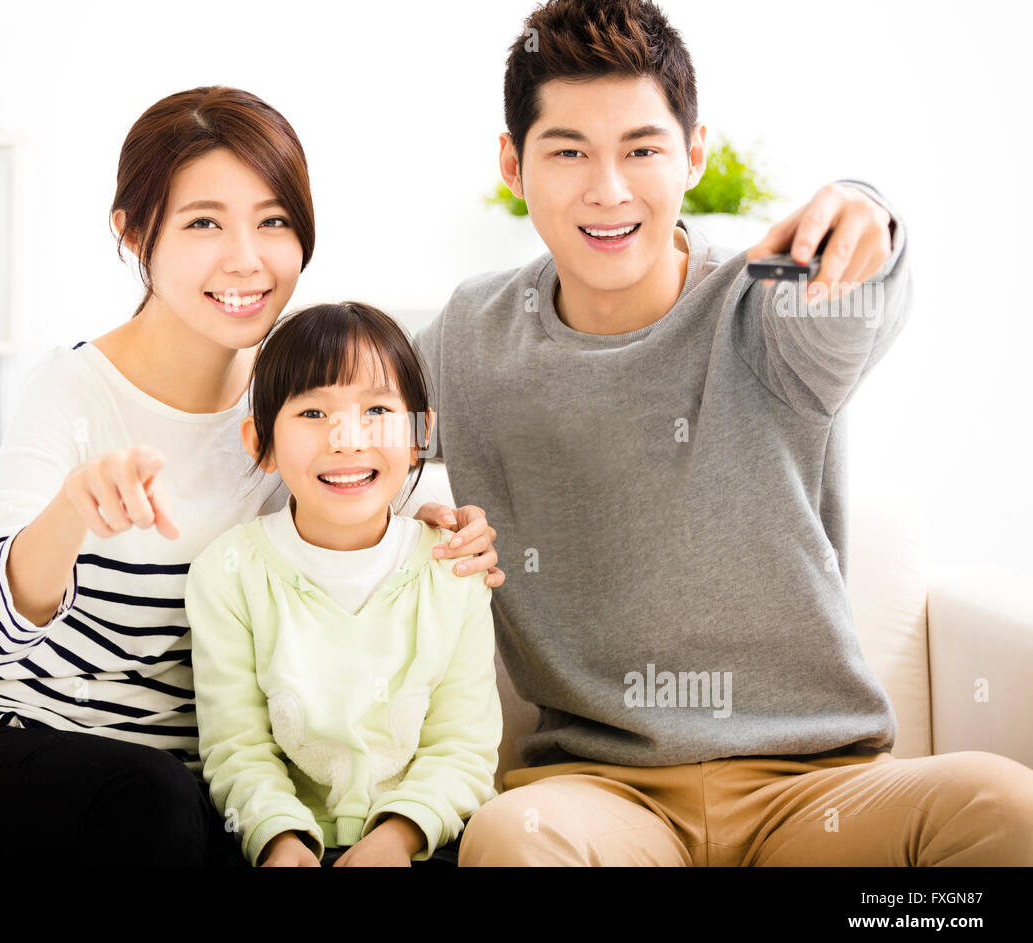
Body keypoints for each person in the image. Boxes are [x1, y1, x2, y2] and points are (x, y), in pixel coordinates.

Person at [415, 0, 1033, 865]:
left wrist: (870, 216)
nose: (609, 189)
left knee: (1008, 805)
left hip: (818, 788)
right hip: (604, 796)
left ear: (694, 153)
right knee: (512, 840)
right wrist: (408, 530)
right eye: (567, 153)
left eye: (642, 149)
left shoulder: (764, 301)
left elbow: (855, 302)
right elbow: (335, 428)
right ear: (514, 165)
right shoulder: (472, 335)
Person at [0, 87, 503, 868]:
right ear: (134, 233)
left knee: (203, 817)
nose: (245, 258)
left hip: (195, 796)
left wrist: (456, 530)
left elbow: (396, 500)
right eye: (203, 223)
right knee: (155, 803)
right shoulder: (73, 390)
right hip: (9, 756)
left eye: (274, 221)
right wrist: (70, 511)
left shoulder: (298, 405)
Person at [185, 301, 501, 867]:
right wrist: (280, 839)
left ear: (420, 432)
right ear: (262, 443)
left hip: (426, 839)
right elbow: (238, 749)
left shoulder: (454, 568)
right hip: (278, 843)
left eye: (377, 409)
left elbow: (462, 748)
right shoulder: (229, 573)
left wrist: (395, 838)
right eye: (312, 413)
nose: (348, 439)